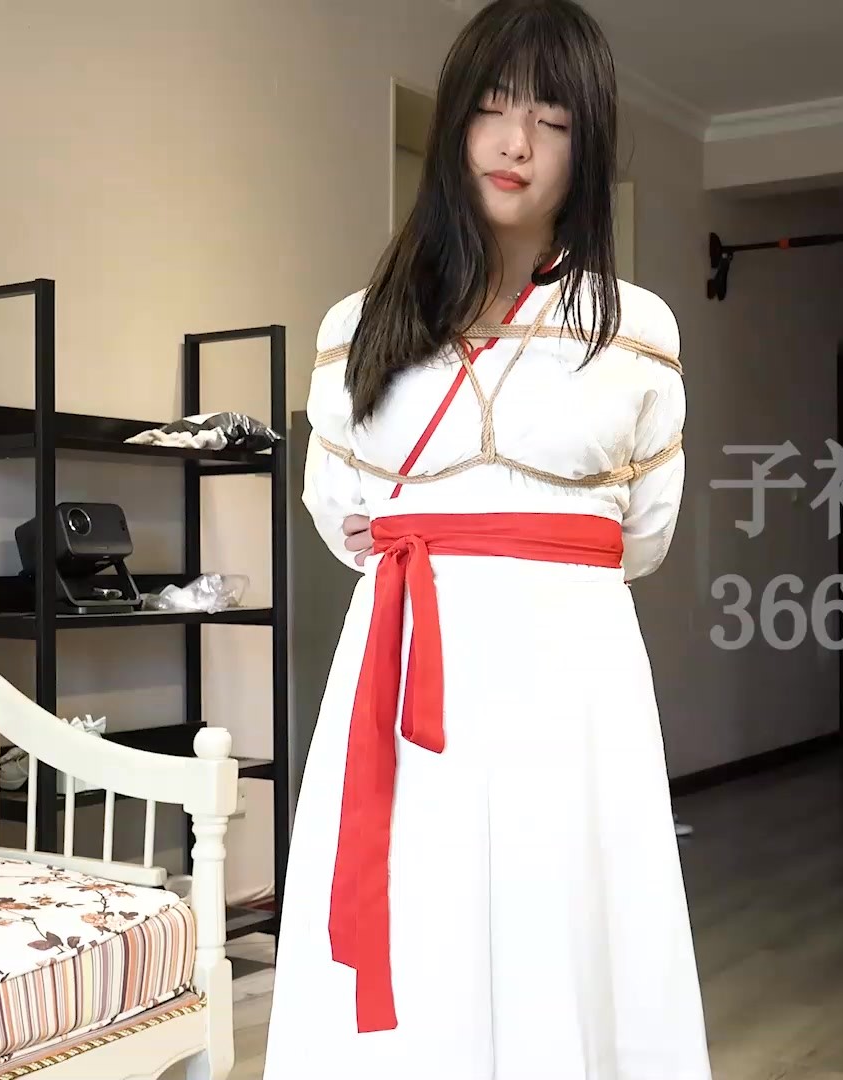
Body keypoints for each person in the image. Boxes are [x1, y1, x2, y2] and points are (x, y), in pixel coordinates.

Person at [261, 2, 711, 1077]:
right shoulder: (355, 326)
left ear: (586, 149)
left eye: (552, 120)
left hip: (572, 670)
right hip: (404, 665)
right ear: (454, 122)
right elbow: (339, 513)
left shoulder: (637, 328)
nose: (516, 143)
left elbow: (643, 535)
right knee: (421, 912)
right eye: (493, 110)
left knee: (569, 918)